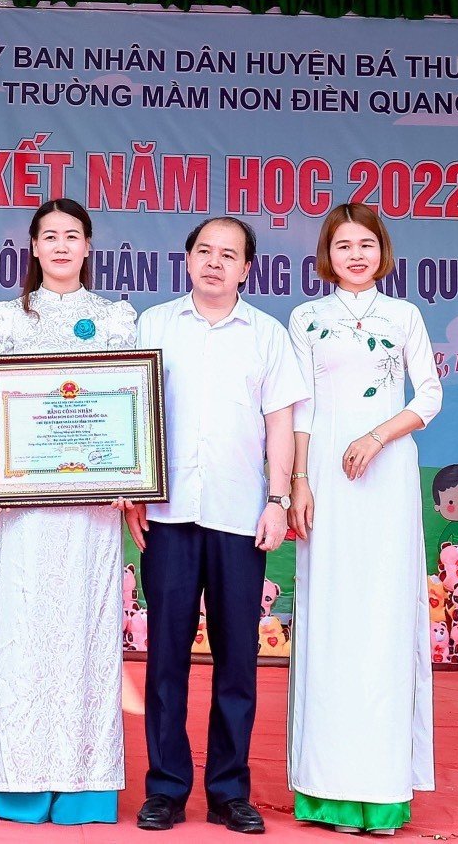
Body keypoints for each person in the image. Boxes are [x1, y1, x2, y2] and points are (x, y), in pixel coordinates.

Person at [127, 216, 307, 835]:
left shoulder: (267, 335)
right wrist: (133, 494)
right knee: (166, 658)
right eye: (204, 251)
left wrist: (278, 499)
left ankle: (230, 791)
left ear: (246, 268)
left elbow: (280, 423)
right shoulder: (154, 325)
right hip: (167, 513)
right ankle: (167, 789)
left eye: (228, 255)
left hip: (239, 517)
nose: (214, 263)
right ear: (187, 259)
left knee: (238, 661)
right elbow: (131, 411)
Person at [0, 199, 135, 826]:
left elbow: (131, 404)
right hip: (25, 509)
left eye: (73, 236)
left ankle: (87, 786)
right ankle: (23, 782)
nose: (61, 246)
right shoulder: (2, 321)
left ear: (89, 246)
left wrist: (128, 479)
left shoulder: (118, 321)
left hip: (90, 512)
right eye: (49, 236)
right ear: (32, 248)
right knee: (24, 633)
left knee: (86, 635)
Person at [286, 203, 443, 836]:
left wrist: (377, 437)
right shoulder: (307, 318)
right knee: (328, 619)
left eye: (367, 244)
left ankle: (380, 793)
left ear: (383, 251)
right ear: (328, 252)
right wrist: (298, 480)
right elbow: (298, 405)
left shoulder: (404, 317)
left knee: (381, 620)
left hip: (385, 477)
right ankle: (324, 791)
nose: (356, 255)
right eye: (344, 244)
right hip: (323, 476)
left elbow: (428, 395)